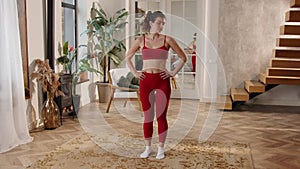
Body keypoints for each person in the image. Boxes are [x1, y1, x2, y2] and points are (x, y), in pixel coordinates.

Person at [125, 11, 187, 159]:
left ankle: (160, 148)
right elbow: (128, 57)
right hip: (146, 81)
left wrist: (172, 72)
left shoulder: (168, 40)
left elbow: (183, 57)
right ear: (151, 23)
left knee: (161, 116)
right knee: (147, 116)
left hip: (162, 81)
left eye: (163, 23)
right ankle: (147, 148)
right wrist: (135, 73)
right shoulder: (141, 40)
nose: (161, 26)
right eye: (159, 23)